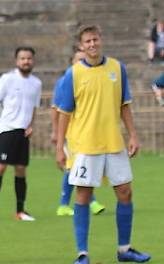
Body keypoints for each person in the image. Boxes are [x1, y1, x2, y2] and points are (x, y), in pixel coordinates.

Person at [55, 25, 151, 264]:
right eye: (87, 41)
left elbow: (124, 105)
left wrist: (133, 136)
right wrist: (59, 146)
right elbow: (64, 113)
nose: (92, 45)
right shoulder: (73, 74)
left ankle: (124, 249)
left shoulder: (118, 69)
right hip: (85, 145)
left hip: (113, 142)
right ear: (81, 46)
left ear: (102, 40)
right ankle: (82, 252)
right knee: (83, 195)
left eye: (95, 39)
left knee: (125, 192)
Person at [0, 47, 42, 222]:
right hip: (6, 129)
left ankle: (20, 210)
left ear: (33, 61)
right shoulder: (7, 79)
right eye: (22, 58)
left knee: (21, 169)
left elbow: (34, 108)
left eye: (29, 58)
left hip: (23, 132)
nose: (26, 62)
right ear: (17, 61)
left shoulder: (36, 83)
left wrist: (31, 125)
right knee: (0, 166)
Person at [51, 48, 106, 217]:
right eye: (79, 59)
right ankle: (66, 204)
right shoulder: (66, 80)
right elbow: (56, 108)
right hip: (70, 132)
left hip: (86, 132)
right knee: (73, 167)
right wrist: (55, 132)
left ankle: (89, 201)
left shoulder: (92, 78)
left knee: (83, 167)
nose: (82, 61)